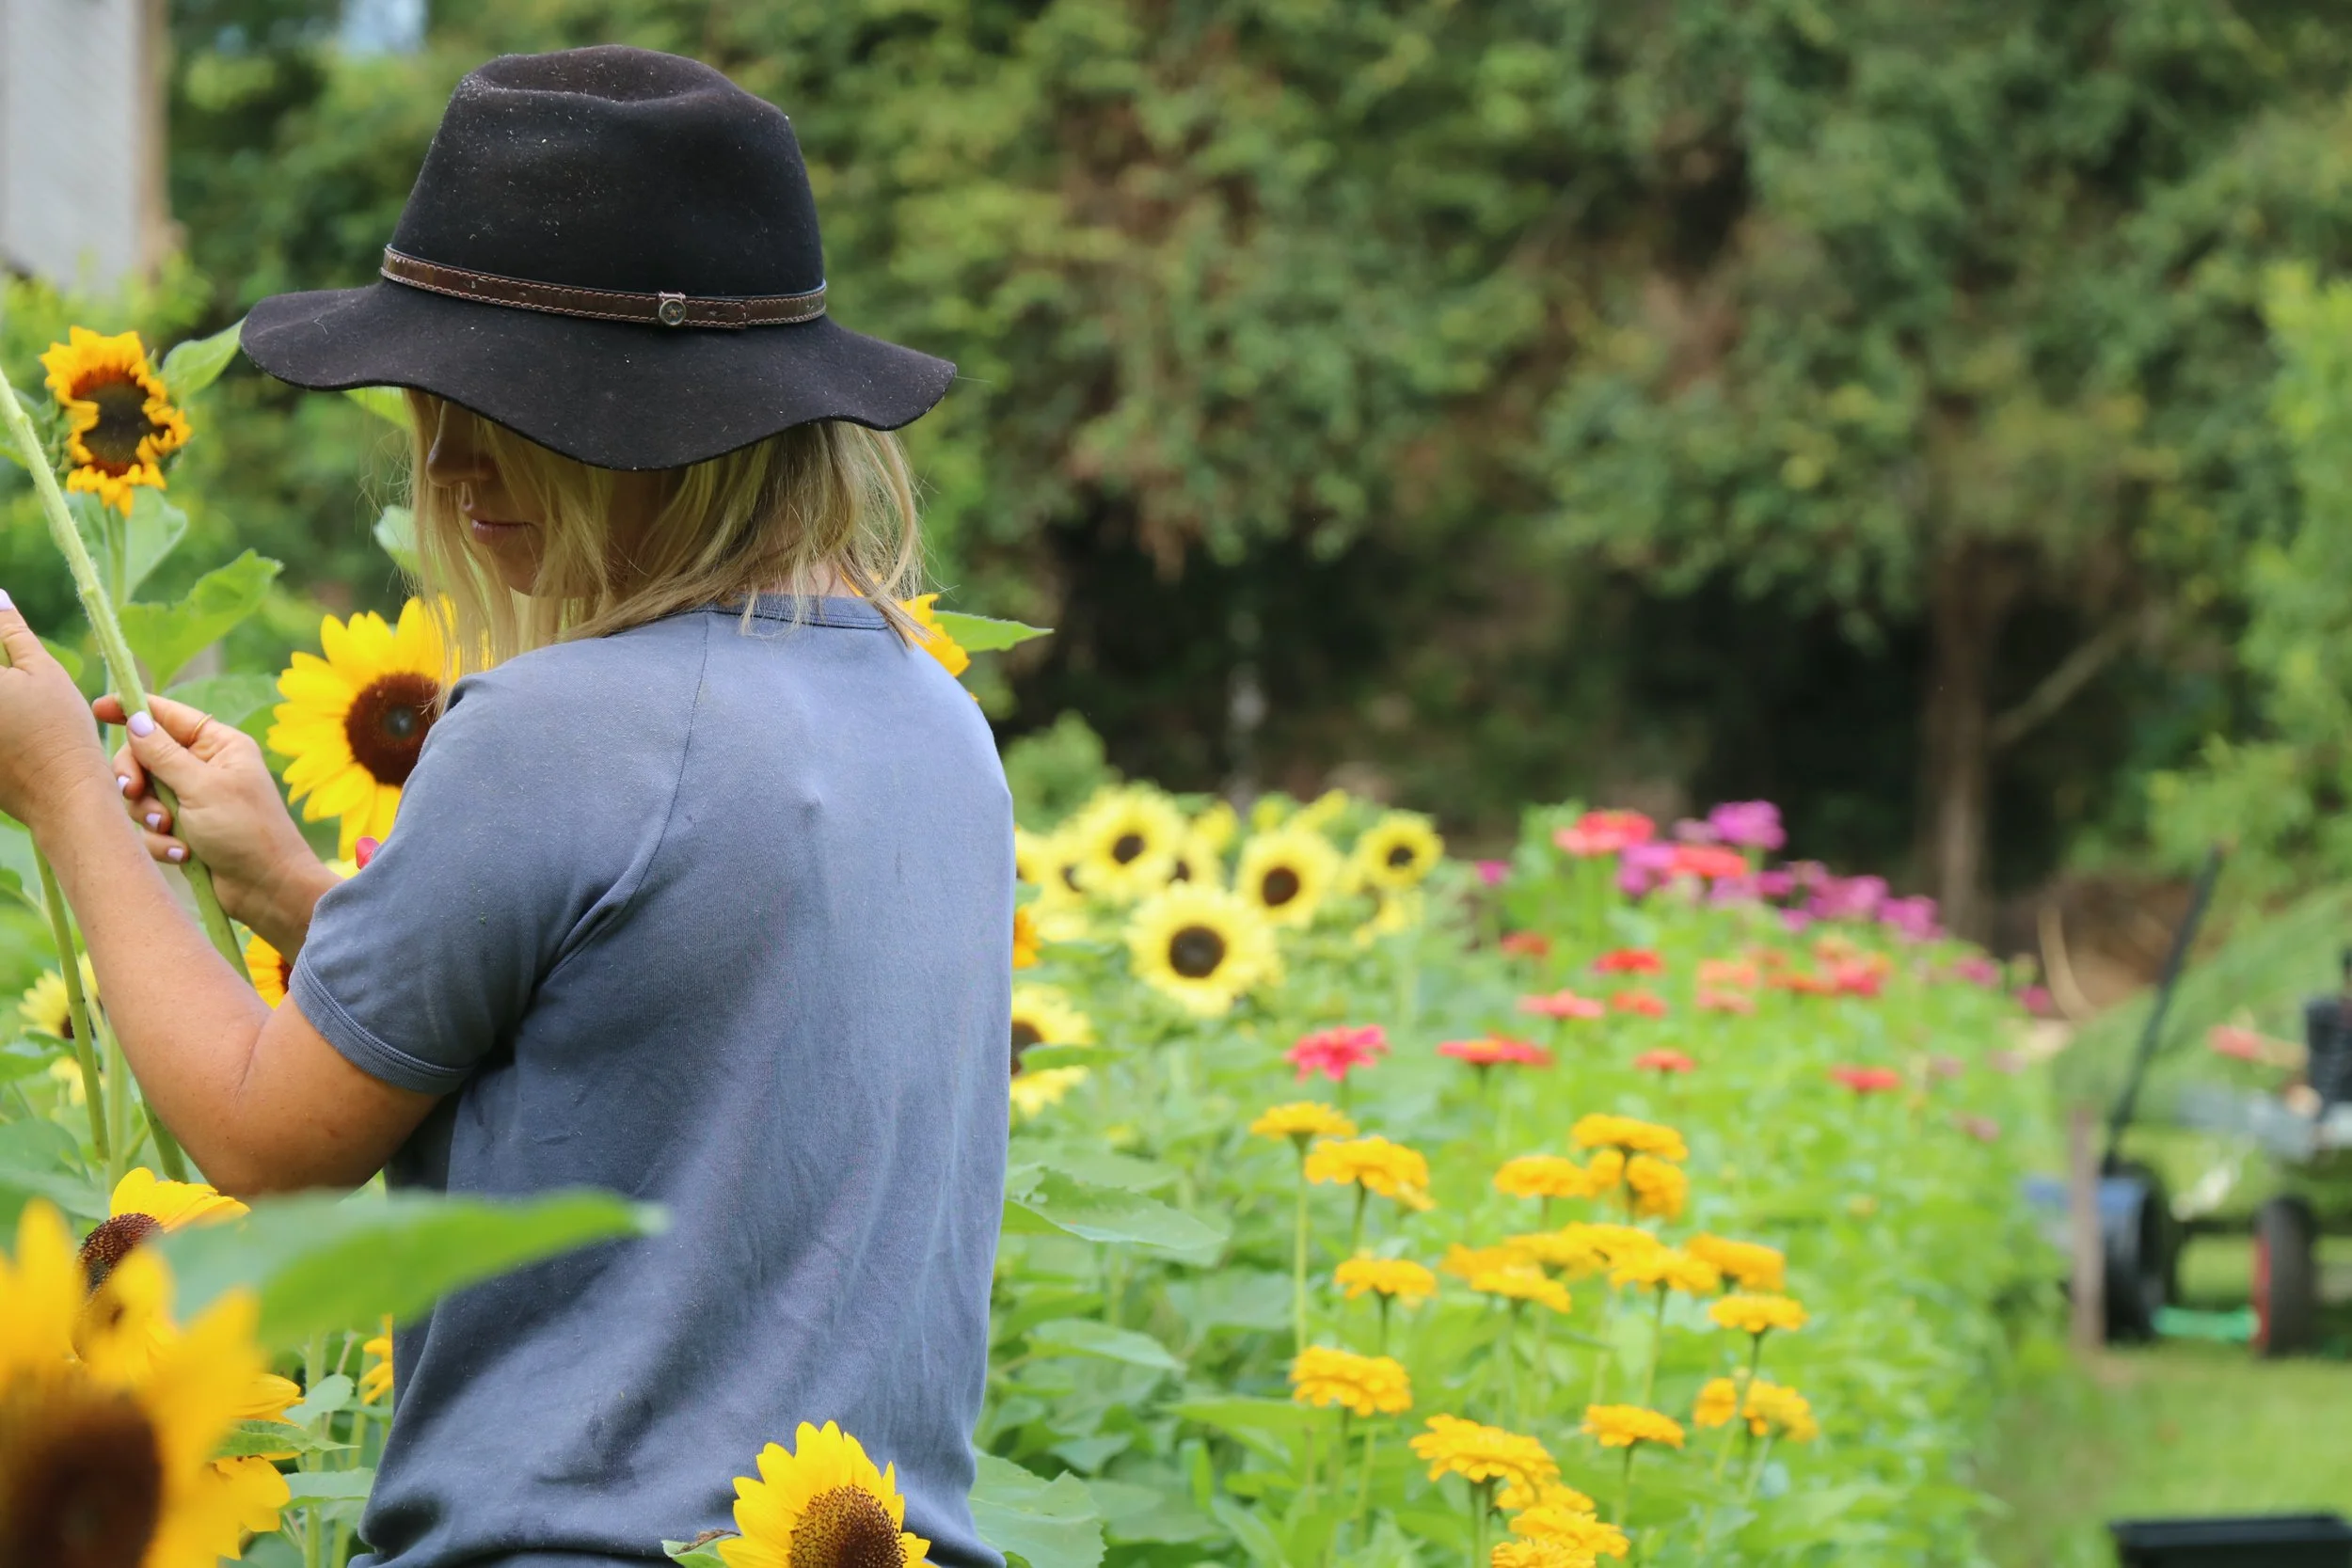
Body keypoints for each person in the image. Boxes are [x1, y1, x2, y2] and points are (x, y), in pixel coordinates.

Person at [0, 45, 1010, 1568]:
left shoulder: (555, 729)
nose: (457, 458)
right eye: (441, 395)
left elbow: (270, 1148)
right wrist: (285, 882)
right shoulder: (940, 725)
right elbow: (633, 1037)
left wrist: (58, 785)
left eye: (520, 406)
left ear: (687, 423)